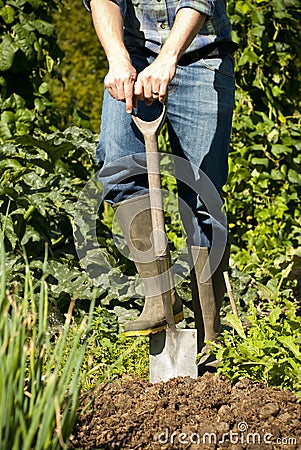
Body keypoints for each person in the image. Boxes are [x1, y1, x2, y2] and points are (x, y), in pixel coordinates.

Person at [83, 0, 237, 368]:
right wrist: (118, 58)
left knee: (203, 197)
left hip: (202, 56)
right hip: (133, 56)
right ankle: (160, 297)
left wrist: (167, 58)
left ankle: (211, 339)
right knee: (119, 166)